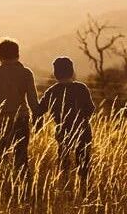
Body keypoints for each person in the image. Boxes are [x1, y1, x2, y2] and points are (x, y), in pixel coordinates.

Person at [0, 38, 40, 181]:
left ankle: (2, 187)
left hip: (1, 121)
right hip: (21, 120)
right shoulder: (26, 73)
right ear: (18, 54)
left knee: (0, 158)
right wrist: (38, 118)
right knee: (21, 157)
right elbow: (33, 99)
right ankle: (24, 190)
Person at [35, 57, 96, 185]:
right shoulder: (81, 88)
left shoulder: (52, 91)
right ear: (72, 72)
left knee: (64, 160)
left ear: (56, 74)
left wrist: (39, 124)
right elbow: (90, 108)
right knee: (84, 161)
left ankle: (65, 185)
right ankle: (84, 187)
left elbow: (39, 110)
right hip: (83, 130)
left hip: (63, 131)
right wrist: (82, 119)